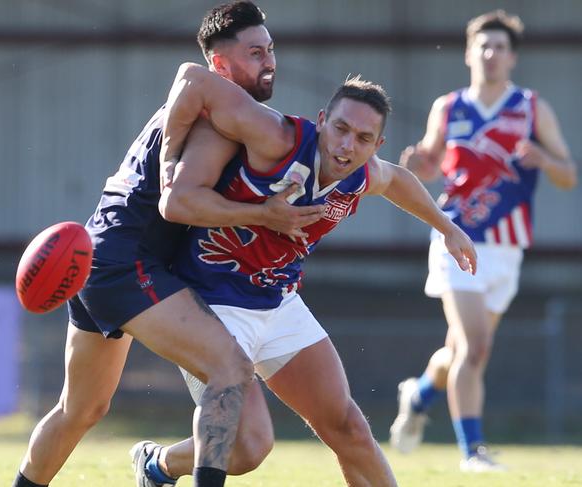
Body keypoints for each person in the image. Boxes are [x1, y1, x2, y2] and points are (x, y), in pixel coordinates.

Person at [10, 3, 326, 487]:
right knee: (229, 369)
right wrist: (264, 215)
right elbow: (189, 76)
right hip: (126, 260)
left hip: (103, 258)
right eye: (255, 52)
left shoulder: (202, 107)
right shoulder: (213, 107)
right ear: (221, 66)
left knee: (82, 408)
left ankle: (151, 467)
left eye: (271, 50)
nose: (270, 61)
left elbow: (187, 82)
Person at [129, 57, 478, 486]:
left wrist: (447, 228)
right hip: (212, 303)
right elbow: (180, 198)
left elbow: (397, 179)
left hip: (277, 303)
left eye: (363, 138)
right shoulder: (277, 139)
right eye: (341, 129)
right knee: (248, 447)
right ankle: (158, 465)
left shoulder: (360, 174)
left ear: (377, 145)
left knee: (349, 427)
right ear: (321, 121)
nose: (347, 146)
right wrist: (261, 214)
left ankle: (156, 464)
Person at [388, 10, 577, 472]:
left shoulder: (532, 107)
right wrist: (420, 164)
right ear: (470, 53)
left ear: (512, 58)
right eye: (483, 46)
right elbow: (428, 164)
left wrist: (543, 159)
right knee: (475, 348)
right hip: (456, 238)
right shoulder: (448, 107)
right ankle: (473, 452)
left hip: (507, 248)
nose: (491, 54)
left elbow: (569, 176)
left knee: (458, 352)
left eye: (499, 47)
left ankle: (419, 395)